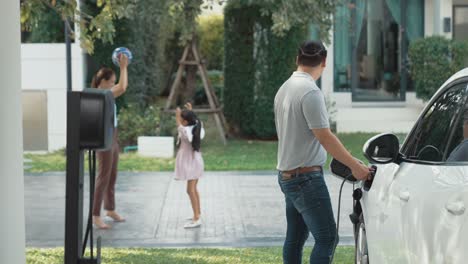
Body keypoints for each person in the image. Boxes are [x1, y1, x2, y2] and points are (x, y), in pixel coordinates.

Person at [274, 40, 372, 264]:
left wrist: (352, 161)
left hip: (288, 176)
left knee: (296, 238)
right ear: (324, 62)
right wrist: (356, 168)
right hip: (305, 178)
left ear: (297, 59)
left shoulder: (284, 89)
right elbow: (324, 136)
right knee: (327, 238)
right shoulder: (310, 92)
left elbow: (303, 136)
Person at [91, 54, 128, 229]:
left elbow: (120, 87)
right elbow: (123, 87)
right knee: (103, 177)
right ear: (103, 82)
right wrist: (123, 67)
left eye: (113, 81)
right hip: (104, 138)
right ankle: (96, 215)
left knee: (112, 176)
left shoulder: (107, 94)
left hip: (113, 136)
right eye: (111, 81)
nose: (113, 84)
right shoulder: (102, 93)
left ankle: (110, 209)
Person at [175, 102, 205, 228]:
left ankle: (197, 218)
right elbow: (195, 120)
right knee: (193, 189)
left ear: (185, 122)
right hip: (195, 161)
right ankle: (197, 213)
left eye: (182, 119)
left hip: (191, 163)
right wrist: (190, 111)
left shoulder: (185, 131)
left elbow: (180, 127)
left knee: (190, 190)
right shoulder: (197, 125)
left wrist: (177, 116)